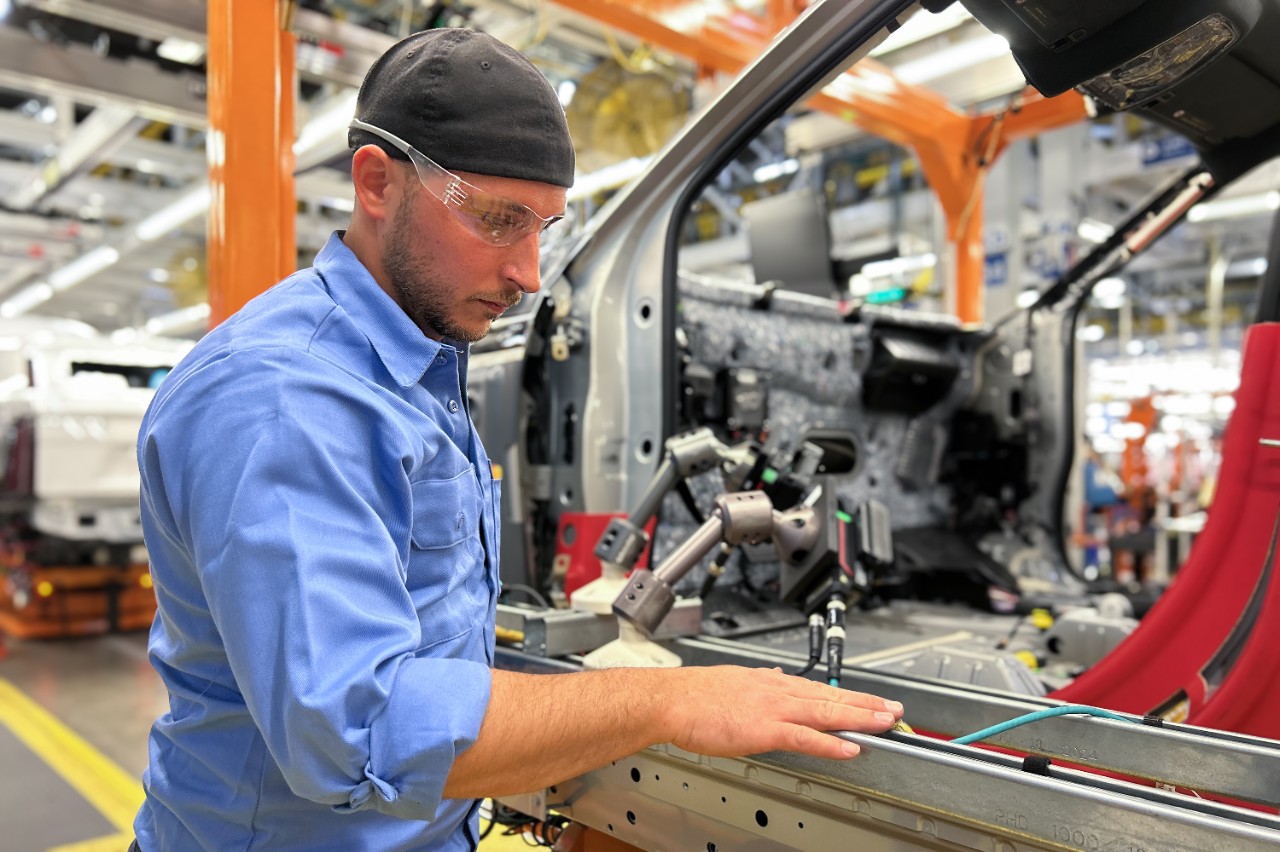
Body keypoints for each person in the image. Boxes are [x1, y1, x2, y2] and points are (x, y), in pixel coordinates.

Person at [131, 28, 903, 851]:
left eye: (544, 226)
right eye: (499, 220)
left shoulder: (424, 361)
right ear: (377, 183)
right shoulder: (285, 398)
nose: (530, 272)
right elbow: (360, 732)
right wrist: (667, 703)